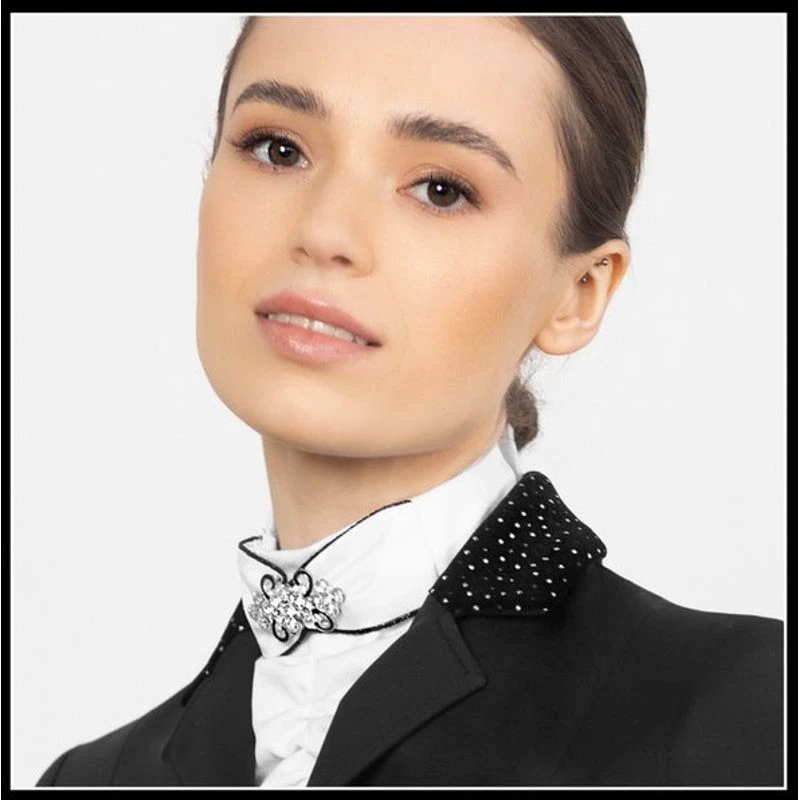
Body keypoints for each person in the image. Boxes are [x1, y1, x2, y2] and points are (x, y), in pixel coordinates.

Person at [36, 15, 783, 787]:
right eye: (279, 149)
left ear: (579, 292)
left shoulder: (741, 714)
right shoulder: (90, 780)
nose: (325, 230)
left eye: (440, 190)